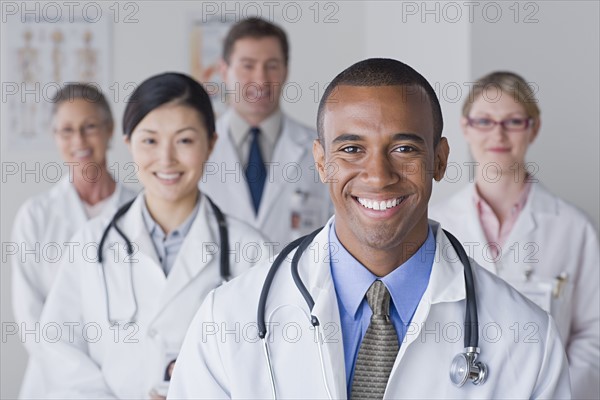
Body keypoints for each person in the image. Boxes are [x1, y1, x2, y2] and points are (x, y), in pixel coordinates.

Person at [168, 59, 570, 399]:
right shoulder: (226, 320)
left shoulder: (527, 338)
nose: (378, 177)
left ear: (440, 160)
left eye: (404, 149)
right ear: (322, 162)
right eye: (351, 149)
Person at [37, 73, 268, 399]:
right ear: (129, 143)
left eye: (185, 140)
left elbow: (262, 362)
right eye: (150, 141)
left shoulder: (251, 252)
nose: (166, 159)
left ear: (211, 143)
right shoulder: (90, 244)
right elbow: (58, 347)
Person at [429, 71, 599, 399]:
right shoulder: (434, 225)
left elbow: (593, 334)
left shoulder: (574, 228)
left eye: (513, 122)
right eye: (484, 121)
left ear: (533, 127)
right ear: (465, 126)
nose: (498, 134)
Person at [11, 83, 137, 399]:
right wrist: (86, 385)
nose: (78, 140)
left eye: (89, 127)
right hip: (53, 386)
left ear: (109, 130)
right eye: (66, 130)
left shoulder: (141, 211)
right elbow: (31, 320)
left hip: (127, 380)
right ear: (55, 138)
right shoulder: (36, 216)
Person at [201, 17, 331, 250]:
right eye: (248, 66)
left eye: (271, 66)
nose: (260, 80)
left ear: (285, 71)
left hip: (297, 283)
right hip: (221, 285)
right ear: (224, 70)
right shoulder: (198, 149)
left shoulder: (322, 149)